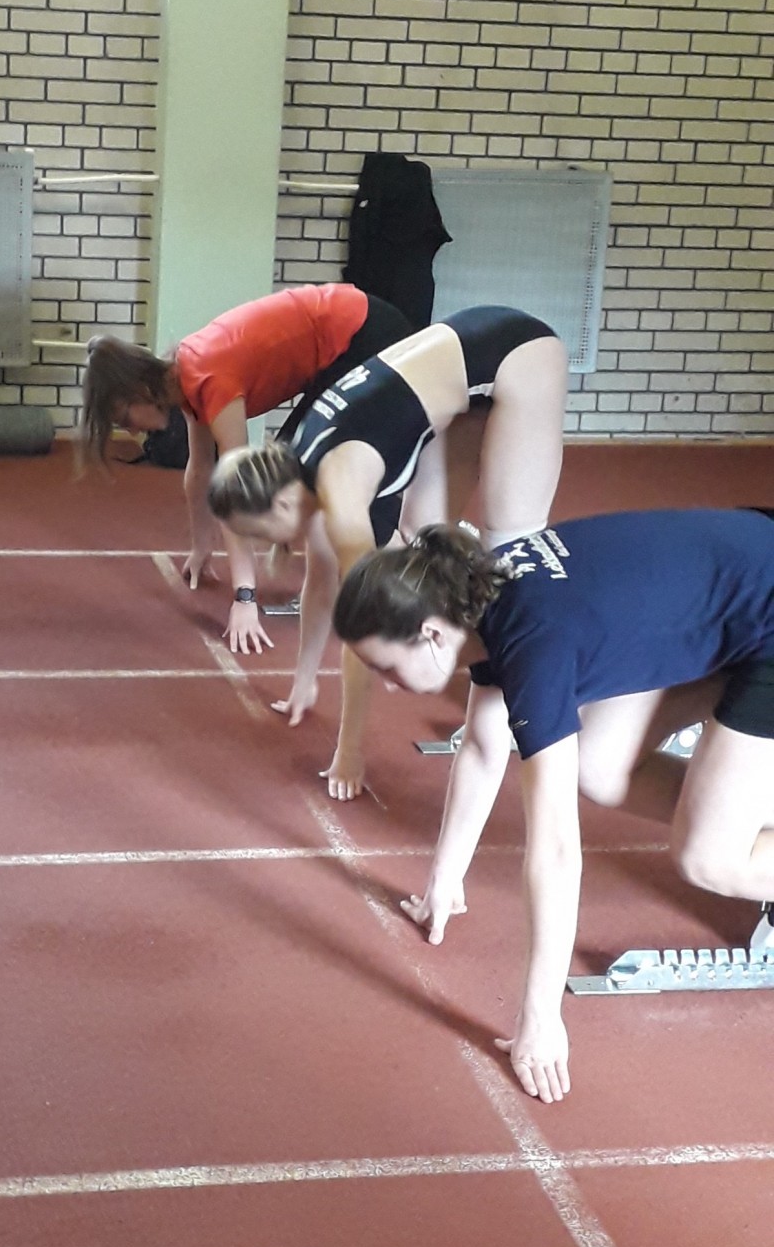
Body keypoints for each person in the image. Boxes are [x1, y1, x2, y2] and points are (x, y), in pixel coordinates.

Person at [331, 509, 774, 1104]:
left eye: (385, 666)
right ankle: (750, 821)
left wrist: (540, 1019)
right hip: (747, 582)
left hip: (764, 604)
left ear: (432, 633)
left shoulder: (534, 646)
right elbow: (483, 746)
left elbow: (557, 850)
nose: (385, 684)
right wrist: (444, 881)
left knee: (708, 859)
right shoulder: (479, 594)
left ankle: (743, 841)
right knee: (601, 767)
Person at [206, 305, 568, 799]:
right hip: (461, 364)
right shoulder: (295, 461)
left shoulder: (338, 487)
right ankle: (491, 680)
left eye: (260, 533)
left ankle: (522, 701)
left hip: (519, 353)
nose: (268, 545)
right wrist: (304, 681)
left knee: (512, 545)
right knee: (425, 539)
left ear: (282, 503)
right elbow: (321, 583)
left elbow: (364, 622)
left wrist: (348, 750)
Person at [82, 284, 411, 653]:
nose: (130, 431)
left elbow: (236, 490)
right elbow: (200, 469)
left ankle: (401, 569)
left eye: (124, 418)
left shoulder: (208, 378)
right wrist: (201, 547)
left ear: (142, 392)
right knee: (290, 466)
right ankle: (367, 564)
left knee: (309, 471)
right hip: (345, 339)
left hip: (366, 333)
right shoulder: (183, 378)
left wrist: (245, 597)